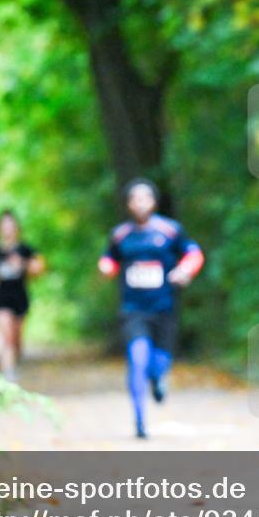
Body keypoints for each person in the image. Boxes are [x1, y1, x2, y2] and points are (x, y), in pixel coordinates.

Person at [98, 179, 204, 439]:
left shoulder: (170, 230)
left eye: (145, 198)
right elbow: (108, 258)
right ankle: (140, 420)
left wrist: (184, 270)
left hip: (164, 308)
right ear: (128, 204)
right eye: (135, 199)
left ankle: (158, 379)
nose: (140, 203)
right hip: (133, 310)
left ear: (153, 202)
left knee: (158, 364)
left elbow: (194, 253)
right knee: (137, 360)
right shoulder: (120, 235)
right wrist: (106, 268)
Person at [0, 210, 45, 381]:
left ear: (17, 228)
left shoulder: (25, 249)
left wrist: (23, 265)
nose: (7, 229)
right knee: (7, 336)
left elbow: (39, 268)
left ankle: (9, 364)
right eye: (4, 225)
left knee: (16, 340)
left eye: (11, 225)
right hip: (1, 298)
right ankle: (7, 373)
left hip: (20, 297)